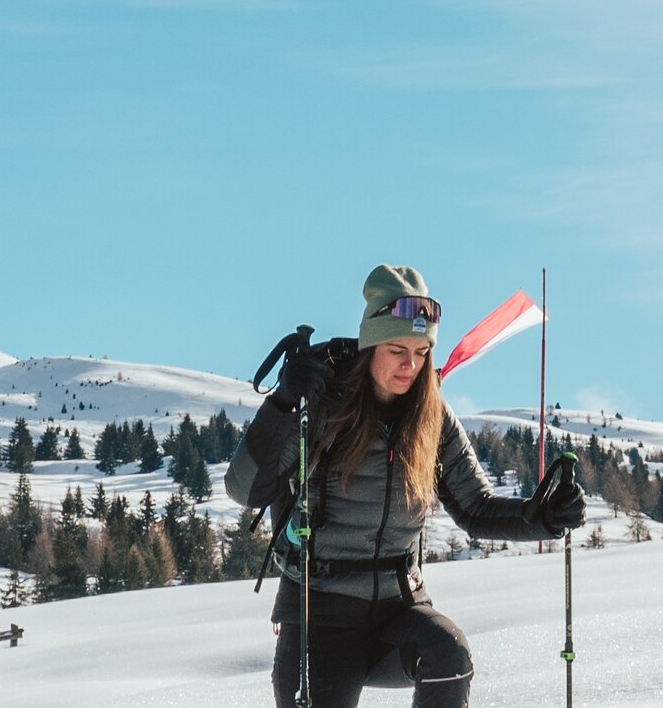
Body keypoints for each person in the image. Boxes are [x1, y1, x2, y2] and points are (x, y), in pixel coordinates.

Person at [227, 264, 587, 708]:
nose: (410, 364)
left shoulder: (431, 417)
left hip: (398, 609)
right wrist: (282, 404)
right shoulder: (319, 403)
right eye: (397, 348)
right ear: (370, 344)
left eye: (420, 352)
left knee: (448, 655)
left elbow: (475, 507)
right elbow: (245, 490)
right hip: (319, 614)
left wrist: (541, 517)